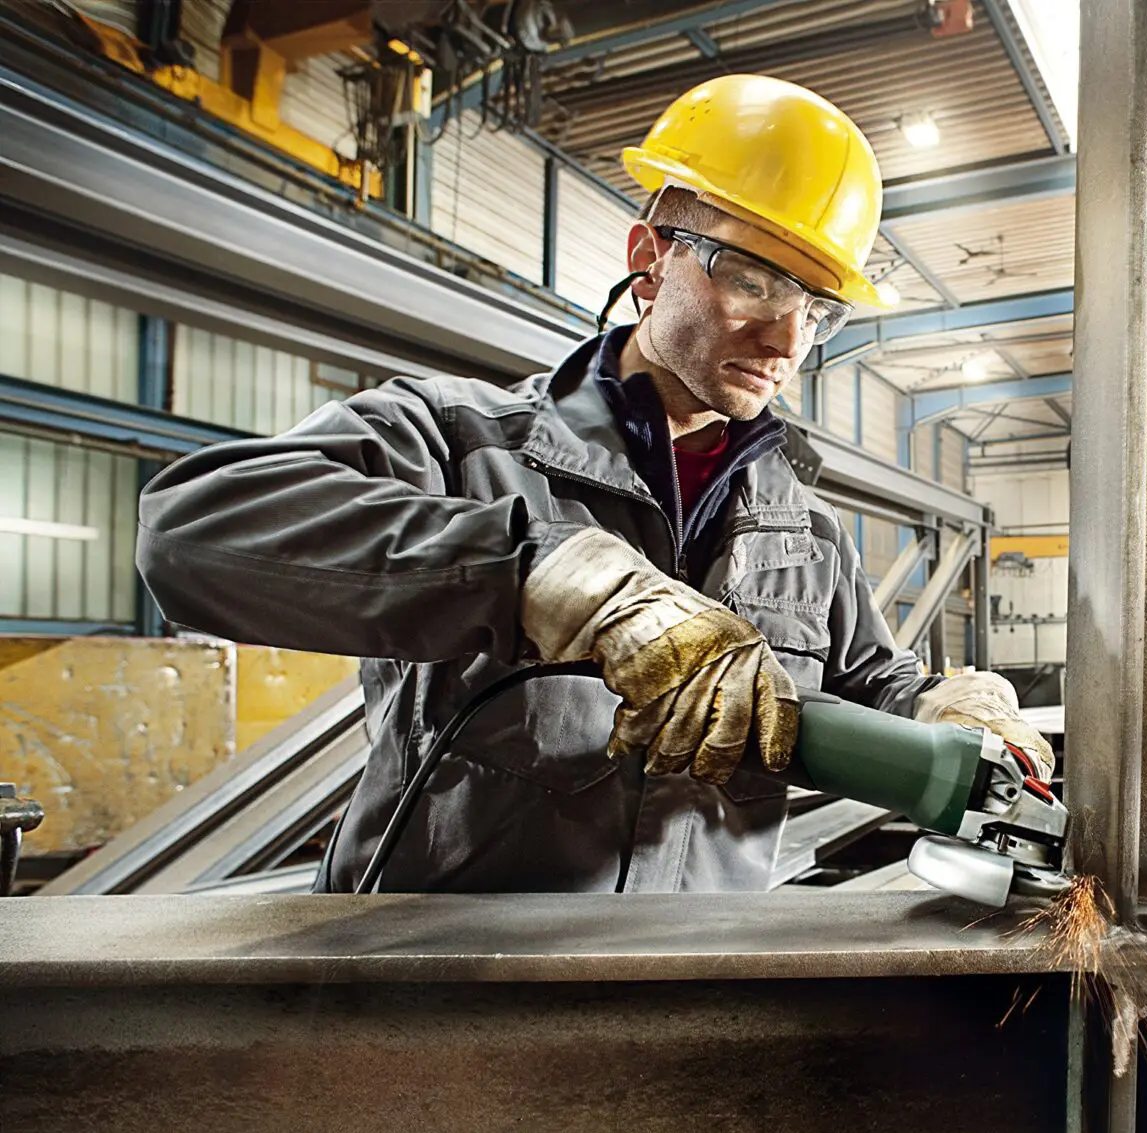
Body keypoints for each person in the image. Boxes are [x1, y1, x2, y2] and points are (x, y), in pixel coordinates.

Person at [135, 74, 1051, 892]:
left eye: (818, 308)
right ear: (650, 256)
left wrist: (939, 705)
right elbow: (190, 530)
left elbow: (869, 680)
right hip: (437, 996)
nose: (788, 340)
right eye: (757, 280)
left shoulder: (803, 531)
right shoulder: (461, 441)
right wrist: (539, 574)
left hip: (692, 989)